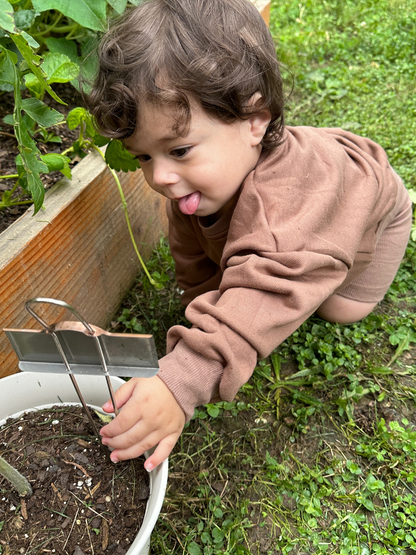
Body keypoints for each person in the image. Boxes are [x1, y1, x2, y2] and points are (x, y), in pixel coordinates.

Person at [84, 0, 413, 472]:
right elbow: (194, 259)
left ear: (255, 120)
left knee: (339, 309)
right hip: (287, 227)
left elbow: (266, 289)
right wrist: (207, 310)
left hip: (368, 216)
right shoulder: (194, 183)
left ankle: (367, 241)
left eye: (178, 149)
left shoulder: (286, 215)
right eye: (143, 157)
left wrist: (184, 377)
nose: (160, 177)